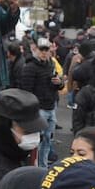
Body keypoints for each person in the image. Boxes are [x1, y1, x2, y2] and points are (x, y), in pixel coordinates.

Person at [17, 37, 63, 167]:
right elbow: (26, 91)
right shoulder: (30, 67)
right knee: (36, 142)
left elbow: (58, 86)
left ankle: (42, 168)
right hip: (38, 110)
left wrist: (59, 83)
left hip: (50, 108)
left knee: (47, 140)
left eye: (46, 49)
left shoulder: (51, 64)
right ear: (35, 49)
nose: (43, 52)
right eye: (41, 49)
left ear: (50, 50)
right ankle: (35, 168)